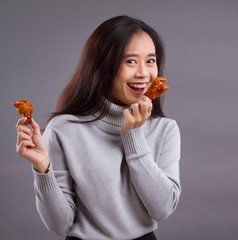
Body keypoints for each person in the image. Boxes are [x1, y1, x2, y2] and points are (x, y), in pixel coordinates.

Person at [15, 15, 181, 240]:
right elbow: (59, 225)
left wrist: (133, 136)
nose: (144, 73)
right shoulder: (63, 129)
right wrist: (43, 170)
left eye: (150, 61)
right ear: (103, 66)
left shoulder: (165, 129)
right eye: (130, 61)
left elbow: (162, 209)